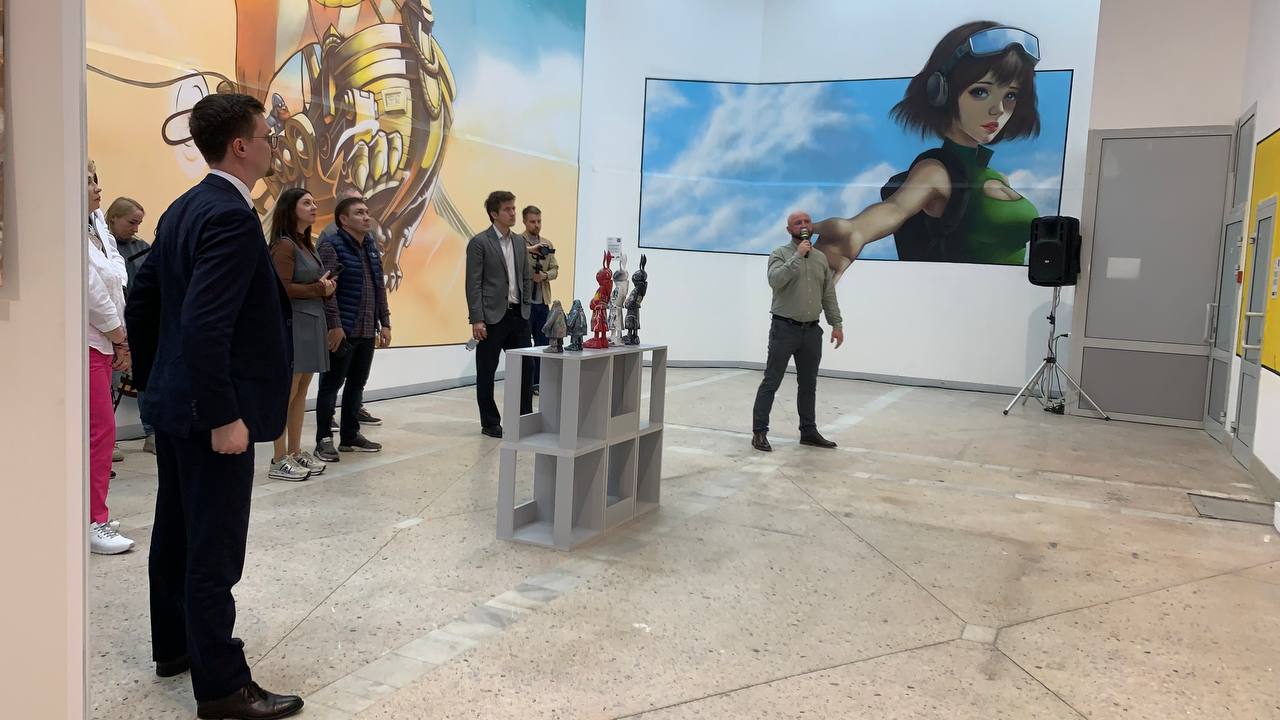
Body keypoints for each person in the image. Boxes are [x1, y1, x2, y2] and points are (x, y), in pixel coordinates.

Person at [125, 92, 304, 719]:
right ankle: (223, 687)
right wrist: (223, 413)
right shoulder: (229, 215)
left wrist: (160, 379)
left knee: (175, 533)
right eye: (267, 135)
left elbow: (143, 301)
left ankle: (175, 647)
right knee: (214, 548)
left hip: (179, 404)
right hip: (211, 415)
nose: (273, 144)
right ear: (240, 145)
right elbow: (206, 323)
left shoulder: (182, 209)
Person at [813, 22, 1042, 278]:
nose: (998, 109)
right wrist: (857, 230)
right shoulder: (936, 171)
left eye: (1010, 95)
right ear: (940, 91)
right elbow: (896, 208)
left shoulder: (999, 178)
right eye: (980, 92)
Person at [751, 211, 845, 453]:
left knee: (808, 384)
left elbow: (828, 294)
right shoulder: (780, 254)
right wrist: (797, 256)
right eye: (798, 223)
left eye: (807, 222)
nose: (803, 225)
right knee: (772, 381)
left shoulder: (820, 258)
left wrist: (836, 324)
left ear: (812, 227)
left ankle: (808, 432)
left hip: (811, 332)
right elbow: (775, 280)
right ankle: (759, 432)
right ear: (789, 229)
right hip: (784, 329)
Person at [314, 196, 390, 461]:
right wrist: (334, 326)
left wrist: (385, 322)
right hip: (343, 330)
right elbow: (328, 292)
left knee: (357, 383)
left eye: (367, 212)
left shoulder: (370, 246)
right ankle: (324, 439)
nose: (367, 217)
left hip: (367, 328)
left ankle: (350, 436)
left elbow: (379, 288)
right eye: (359, 213)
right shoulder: (331, 246)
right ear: (343, 219)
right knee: (331, 385)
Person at [268, 188, 337, 479]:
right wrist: (317, 289)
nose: (313, 207)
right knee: (289, 391)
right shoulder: (284, 246)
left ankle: (295, 451)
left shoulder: (306, 244)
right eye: (306, 203)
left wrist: (324, 289)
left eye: (314, 202)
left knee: (301, 391)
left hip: (311, 321)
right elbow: (280, 288)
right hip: (294, 323)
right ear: (290, 208)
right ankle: (278, 458)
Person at [86, 162, 135, 555]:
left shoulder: (96, 221)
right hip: (89, 341)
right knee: (99, 434)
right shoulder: (67, 226)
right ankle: (92, 520)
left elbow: (117, 270)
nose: (97, 188)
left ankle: (93, 513)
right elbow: (92, 291)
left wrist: (117, 337)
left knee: (100, 434)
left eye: (96, 179)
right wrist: (120, 338)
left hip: (104, 341)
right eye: (88, 181)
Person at [466, 190, 534, 438]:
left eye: (514, 208)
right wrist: (477, 318)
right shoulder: (479, 243)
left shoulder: (519, 242)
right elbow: (473, 283)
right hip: (492, 318)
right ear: (494, 214)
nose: (513, 213)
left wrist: (526, 306)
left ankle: (524, 418)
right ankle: (490, 422)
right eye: (507, 209)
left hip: (518, 316)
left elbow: (525, 277)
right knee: (487, 371)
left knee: (526, 368)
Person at [106, 196, 157, 454]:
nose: (136, 228)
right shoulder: (101, 246)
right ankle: (108, 439)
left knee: (146, 378)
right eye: (131, 222)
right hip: (110, 325)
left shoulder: (144, 248)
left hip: (141, 324)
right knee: (110, 381)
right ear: (113, 218)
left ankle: (152, 433)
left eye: (139, 223)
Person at [521, 205, 558, 395]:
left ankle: (539, 382)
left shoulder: (547, 243)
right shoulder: (518, 242)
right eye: (532, 221)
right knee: (524, 345)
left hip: (543, 302)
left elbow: (555, 269)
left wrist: (544, 275)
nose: (536, 225)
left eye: (539, 221)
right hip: (524, 303)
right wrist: (530, 275)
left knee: (543, 343)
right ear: (524, 222)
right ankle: (525, 382)